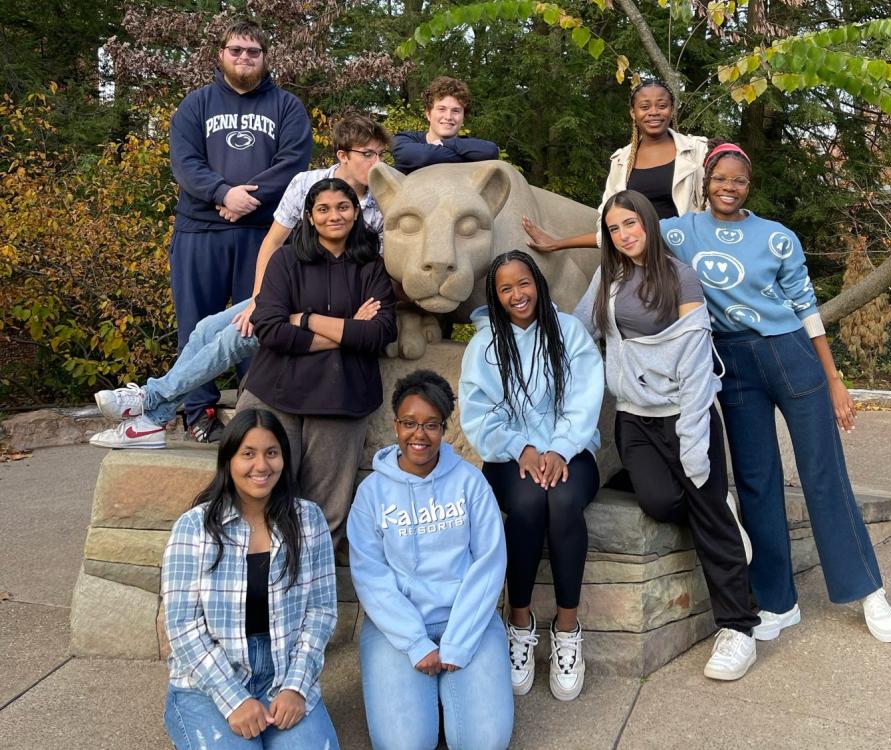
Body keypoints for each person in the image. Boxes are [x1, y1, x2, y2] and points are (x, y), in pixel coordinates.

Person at [661, 141, 891, 643]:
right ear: (707, 180)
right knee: (756, 482)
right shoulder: (681, 232)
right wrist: (554, 244)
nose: (729, 187)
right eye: (721, 178)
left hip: (789, 354)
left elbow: (807, 308)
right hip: (733, 364)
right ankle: (776, 600)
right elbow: (624, 232)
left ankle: (867, 590)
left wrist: (834, 379)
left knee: (823, 473)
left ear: (749, 186)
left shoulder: (777, 237)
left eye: (740, 180)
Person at [89, 115, 391, 449]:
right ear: (342, 155)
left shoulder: (381, 202)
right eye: (367, 153)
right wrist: (261, 299)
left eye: (380, 154)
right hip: (290, 290)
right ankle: (154, 420)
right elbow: (273, 243)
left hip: (333, 300)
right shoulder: (307, 184)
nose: (376, 162)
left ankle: (151, 398)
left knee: (236, 335)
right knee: (205, 328)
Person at [573, 190, 760, 680]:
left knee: (709, 514)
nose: (623, 235)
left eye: (630, 224)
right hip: (634, 417)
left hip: (684, 413)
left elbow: (697, 368)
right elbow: (575, 329)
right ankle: (719, 502)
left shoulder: (682, 277)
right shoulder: (607, 279)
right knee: (661, 503)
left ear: (649, 223)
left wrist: (695, 439)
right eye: (614, 229)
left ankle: (739, 627)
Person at [459, 250, 605, 700]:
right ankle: (519, 623)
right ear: (495, 295)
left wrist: (559, 450)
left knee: (561, 502)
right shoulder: (483, 345)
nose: (516, 294)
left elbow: (584, 397)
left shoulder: (570, 333)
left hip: (573, 450)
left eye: (523, 283)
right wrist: (519, 447)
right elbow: (477, 412)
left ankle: (566, 629)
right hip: (508, 457)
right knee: (524, 504)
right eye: (505, 288)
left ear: (538, 283)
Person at [347, 370, 512, 750]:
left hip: (468, 619)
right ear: (395, 425)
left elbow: (489, 565)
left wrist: (458, 642)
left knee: (485, 743)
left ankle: (448, 699)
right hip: (397, 629)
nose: (419, 435)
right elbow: (371, 576)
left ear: (444, 428)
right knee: (403, 745)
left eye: (431, 425)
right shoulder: (371, 493)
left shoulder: (471, 483)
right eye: (409, 423)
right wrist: (415, 642)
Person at [168, 18, 312, 440]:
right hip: (199, 232)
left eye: (252, 51)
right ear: (221, 55)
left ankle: (256, 409)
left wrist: (246, 198)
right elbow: (184, 161)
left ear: (265, 57)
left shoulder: (287, 106)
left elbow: (294, 162)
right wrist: (221, 193)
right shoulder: (196, 105)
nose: (244, 58)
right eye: (236, 50)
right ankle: (199, 412)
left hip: (265, 234)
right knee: (197, 325)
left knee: (260, 321)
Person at [161, 408, 339, 749]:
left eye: (271, 453)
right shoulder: (194, 528)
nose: (262, 466)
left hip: (283, 671)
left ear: (284, 459)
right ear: (228, 460)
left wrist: (296, 687)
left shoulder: (308, 520)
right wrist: (234, 700)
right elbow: (183, 626)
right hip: (209, 681)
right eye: (248, 454)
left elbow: (321, 611)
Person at [236, 178, 397, 539]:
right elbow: (271, 329)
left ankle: (308, 588)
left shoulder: (372, 267)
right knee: (257, 497)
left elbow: (380, 333)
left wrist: (307, 320)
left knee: (324, 514)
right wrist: (349, 330)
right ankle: (257, 582)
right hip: (275, 392)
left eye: (343, 207)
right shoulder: (286, 260)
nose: (333, 216)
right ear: (309, 216)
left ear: (356, 213)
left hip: (341, 398)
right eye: (323, 209)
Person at [522, 78, 707, 251]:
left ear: (672, 109)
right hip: (635, 260)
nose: (654, 112)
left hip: (684, 255)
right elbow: (611, 221)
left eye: (662, 106)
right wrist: (557, 244)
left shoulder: (697, 151)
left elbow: (714, 211)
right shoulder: (621, 161)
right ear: (633, 113)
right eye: (644, 106)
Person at [391, 76, 500, 174]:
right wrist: (469, 159)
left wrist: (445, 144)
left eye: (456, 111)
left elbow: (492, 151)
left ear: (463, 118)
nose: (448, 116)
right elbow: (425, 157)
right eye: (441, 109)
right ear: (428, 114)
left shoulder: (464, 144)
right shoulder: (403, 140)